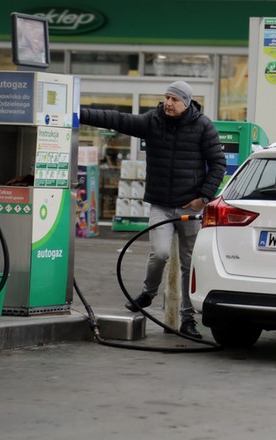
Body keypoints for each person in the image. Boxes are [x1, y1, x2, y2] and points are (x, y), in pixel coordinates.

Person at [79, 81, 226, 339]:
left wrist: (203, 198)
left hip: (189, 207)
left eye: (175, 99)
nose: (168, 103)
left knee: (189, 265)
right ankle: (148, 293)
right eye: (166, 97)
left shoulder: (203, 126)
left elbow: (218, 163)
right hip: (161, 203)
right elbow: (117, 119)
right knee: (158, 253)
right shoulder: (153, 121)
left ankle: (188, 320)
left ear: (187, 103)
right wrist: (78, 113)